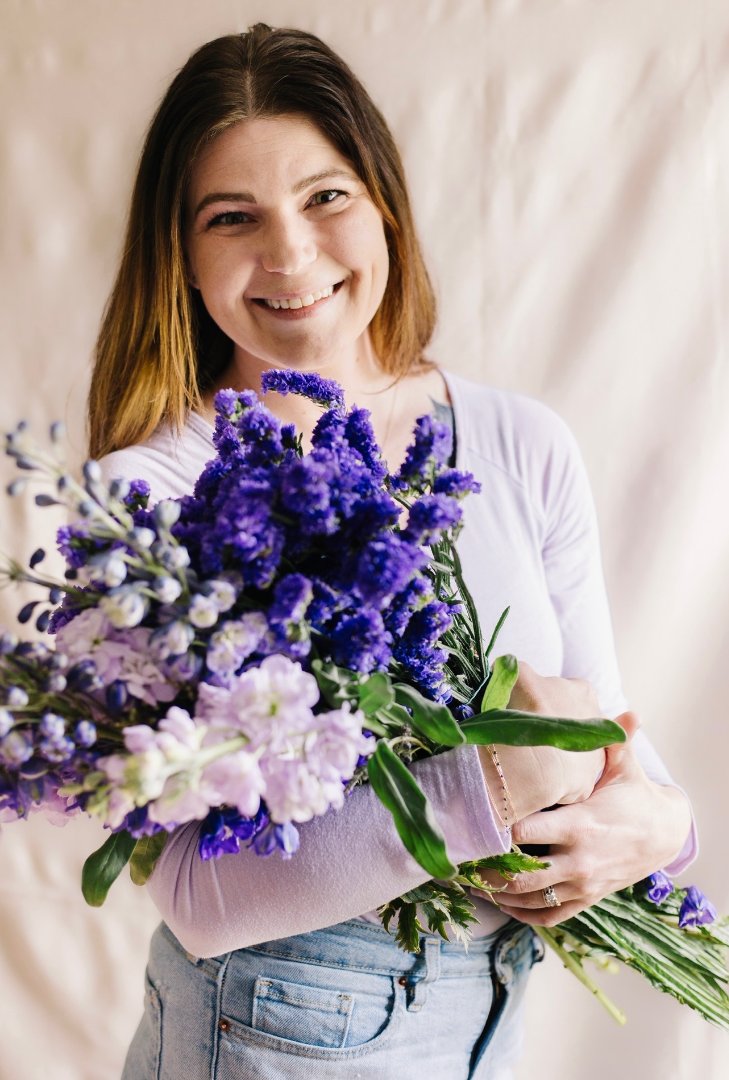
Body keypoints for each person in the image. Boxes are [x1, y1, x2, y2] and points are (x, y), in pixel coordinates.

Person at [93, 25, 695, 1080]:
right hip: (275, 1029)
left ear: (384, 205)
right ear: (181, 257)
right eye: (233, 219)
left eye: (326, 197)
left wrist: (662, 826)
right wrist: (484, 793)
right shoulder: (151, 499)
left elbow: (605, 745)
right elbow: (195, 896)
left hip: (488, 1017)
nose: (290, 255)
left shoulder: (518, 444)